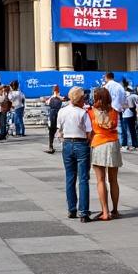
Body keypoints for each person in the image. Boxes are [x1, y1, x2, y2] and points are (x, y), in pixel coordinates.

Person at [57, 87, 93, 221]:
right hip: (81, 143)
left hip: (67, 143)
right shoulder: (83, 113)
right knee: (83, 178)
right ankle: (84, 212)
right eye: (83, 98)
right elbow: (89, 131)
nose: (84, 100)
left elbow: (59, 129)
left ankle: (71, 209)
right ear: (79, 99)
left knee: (70, 177)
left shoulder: (62, 111)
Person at [88, 86, 121, 221]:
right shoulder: (114, 112)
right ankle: (115, 209)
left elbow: (90, 130)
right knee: (113, 180)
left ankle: (105, 212)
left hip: (98, 143)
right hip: (113, 143)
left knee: (100, 180)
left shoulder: (90, 112)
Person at [101, 73, 131, 151]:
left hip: (109, 109)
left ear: (106, 77)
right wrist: (122, 107)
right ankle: (122, 144)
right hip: (118, 108)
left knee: (110, 126)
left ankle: (113, 143)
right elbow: (124, 97)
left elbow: (103, 98)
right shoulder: (119, 86)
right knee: (120, 126)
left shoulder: (106, 86)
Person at [43, 84, 62, 154]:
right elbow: (46, 102)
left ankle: (51, 146)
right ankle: (51, 146)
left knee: (54, 130)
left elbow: (47, 102)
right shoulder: (53, 97)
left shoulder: (57, 97)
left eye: (54, 89)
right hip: (54, 114)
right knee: (52, 131)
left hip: (55, 114)